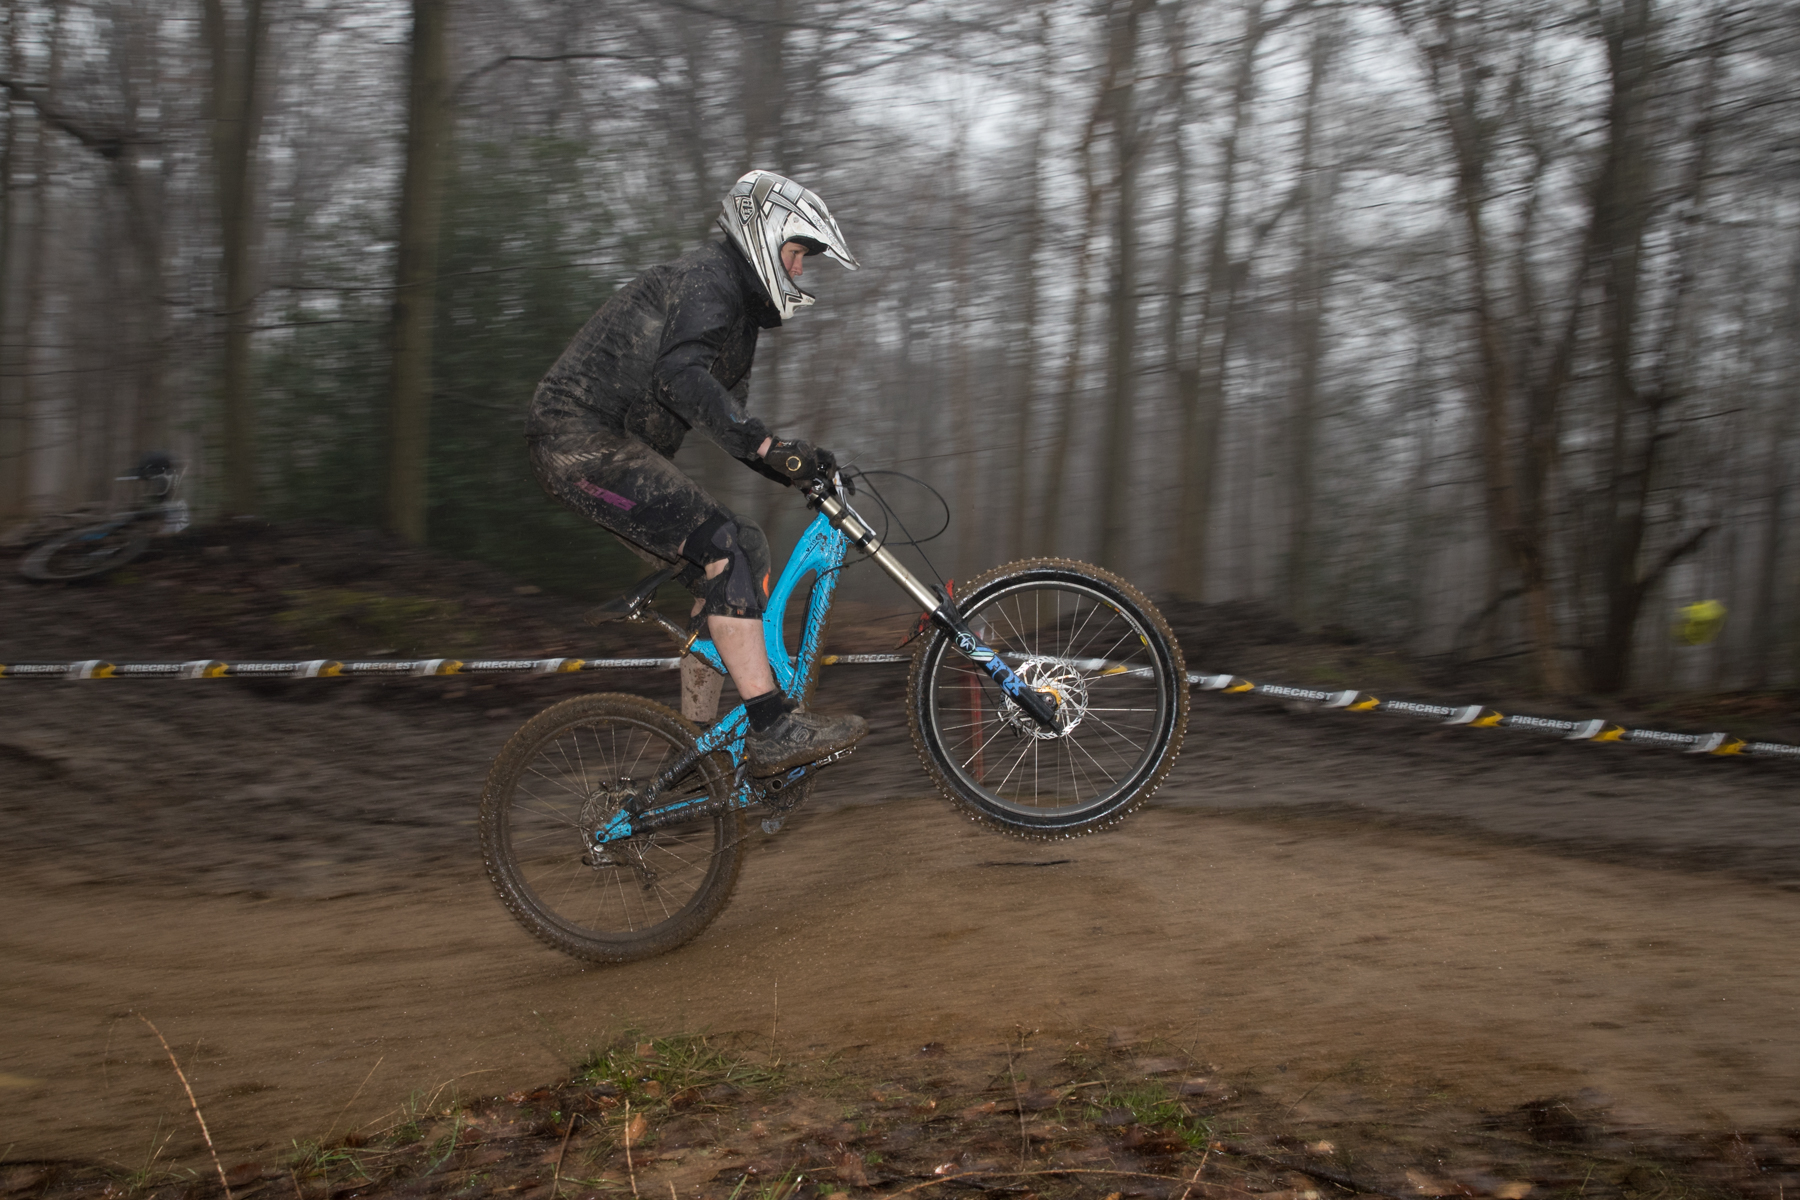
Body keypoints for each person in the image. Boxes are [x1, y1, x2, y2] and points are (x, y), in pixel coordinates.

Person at [526, 169, 868, 774]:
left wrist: (797, 468)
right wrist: (769, 445)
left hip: (611, 447)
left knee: (746, 548)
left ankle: (697, 750)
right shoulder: (708, 278)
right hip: (577, 440)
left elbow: (726, 422)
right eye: (795, 253)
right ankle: (771, 725)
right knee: (722, 544)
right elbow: (677, 377)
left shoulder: (736, 318)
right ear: (762, 237)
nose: (799, 270)